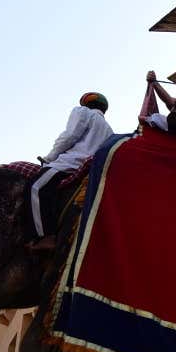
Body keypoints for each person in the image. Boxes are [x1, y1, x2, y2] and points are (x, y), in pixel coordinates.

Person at [31, 92, 114, 241]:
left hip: (70, 163)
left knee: (36, 187)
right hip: (89, 170)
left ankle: (44, 237)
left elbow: (69, 136)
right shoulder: (109, 130)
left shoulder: (82, 112)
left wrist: (49, 158)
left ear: (86, 103)